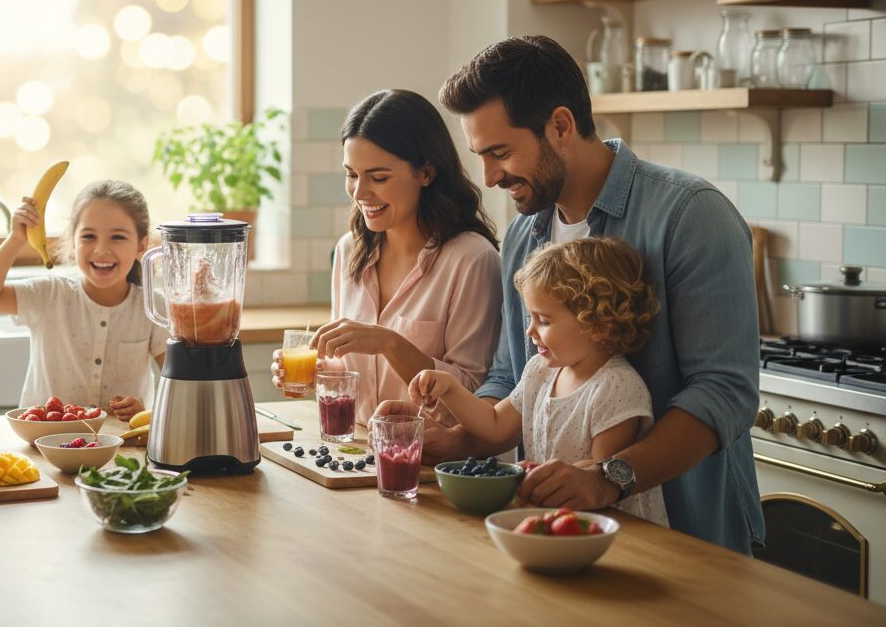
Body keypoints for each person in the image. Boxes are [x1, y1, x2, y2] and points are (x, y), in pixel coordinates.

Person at [379, 35, 762, 553]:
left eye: (501, 153)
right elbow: (511, 377)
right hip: (559, 533)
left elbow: (723, 393)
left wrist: (610, 475)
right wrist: (458, 441)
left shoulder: (690, 215)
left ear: (561, 125)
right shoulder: (523, 234)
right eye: (481, 157)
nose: (490, 177)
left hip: (685, 536)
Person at [271, 89, 502, 425]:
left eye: (378, 177)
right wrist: (316, 370)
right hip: (359, 452)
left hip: (434, 465)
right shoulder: (351, 251)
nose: (360, 193)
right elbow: (353, 370)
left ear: (426, 172)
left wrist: (391, 344)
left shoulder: (472, 259)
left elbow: (472, 393)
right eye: (352, 174)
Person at [411, 237, 669, 525]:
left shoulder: (617, 387)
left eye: (544, 320)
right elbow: (495, 425)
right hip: (555, 518)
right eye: (530, 317)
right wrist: (450, 388)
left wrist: (535, 472)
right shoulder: (540, 371)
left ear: (599, 326)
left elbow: (598, 474)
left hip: (612, 530)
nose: (530, 330)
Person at [0, 179, 166, 421]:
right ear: (72, 243)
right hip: (42, 444)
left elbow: (177, 384)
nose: (101, 249)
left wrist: (146, 413)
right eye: (88, 236)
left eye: (117, 237)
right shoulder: (49, 294)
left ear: (142, 245)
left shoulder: (153, 307)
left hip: (120, 446)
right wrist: (16, 239)